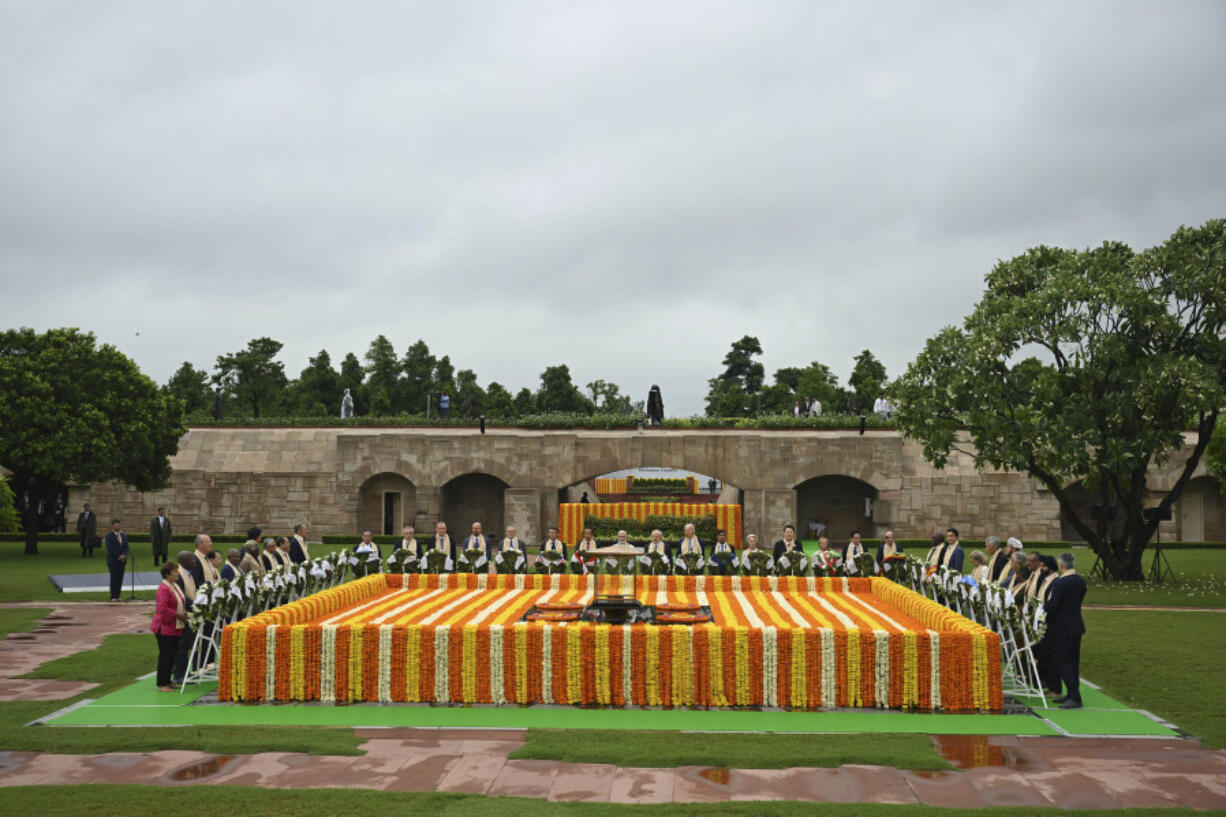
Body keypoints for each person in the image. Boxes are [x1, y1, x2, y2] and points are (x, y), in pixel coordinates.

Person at [1045, 552, 1087, 709]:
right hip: (1076, 624)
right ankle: (1071, 693)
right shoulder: (1080, 581)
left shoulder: (1060, 583)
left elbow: (1053, 605)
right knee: (1073, 661)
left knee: (1062, 661)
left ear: (1061, 566)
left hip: (1061, 627)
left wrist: (1040, 609)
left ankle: (1075, 696)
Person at [151, 561, 188, 692]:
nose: (177, 574)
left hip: (174, 627)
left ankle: (168, 680)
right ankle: (162, 683)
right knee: (165, 655)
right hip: (164, 627)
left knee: (172, 655)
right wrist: (178, 615)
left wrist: (183, 613)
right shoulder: (164, 588)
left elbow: (178, 603)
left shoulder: (174, 586)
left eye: (177, 571)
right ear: (167, 574)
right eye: (175, 572)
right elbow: (162, 609)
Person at [171, 550, 198, 684]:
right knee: (182, 645)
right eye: (191, 559)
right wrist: (196, 605)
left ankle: (185, 671)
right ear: (183, 561)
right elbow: (182, 596)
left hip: (189, 614)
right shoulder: (180, 575)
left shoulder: (189, 574)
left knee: (187, 644)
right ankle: (178, 674)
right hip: (182, 615)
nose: (194, 562)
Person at [104, 518, 129, 602]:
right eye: (116, 524)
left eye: (119, 524)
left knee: (120, 578)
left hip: (122, 561)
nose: (118, 526)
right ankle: (113, 596)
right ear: (113, 526)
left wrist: (124, 555)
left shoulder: (122, 535)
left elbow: (126, 547)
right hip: (113, 561)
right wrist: (119, 556)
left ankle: (118, 595)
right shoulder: (109, 536)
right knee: (114, 578)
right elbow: (110, 549)